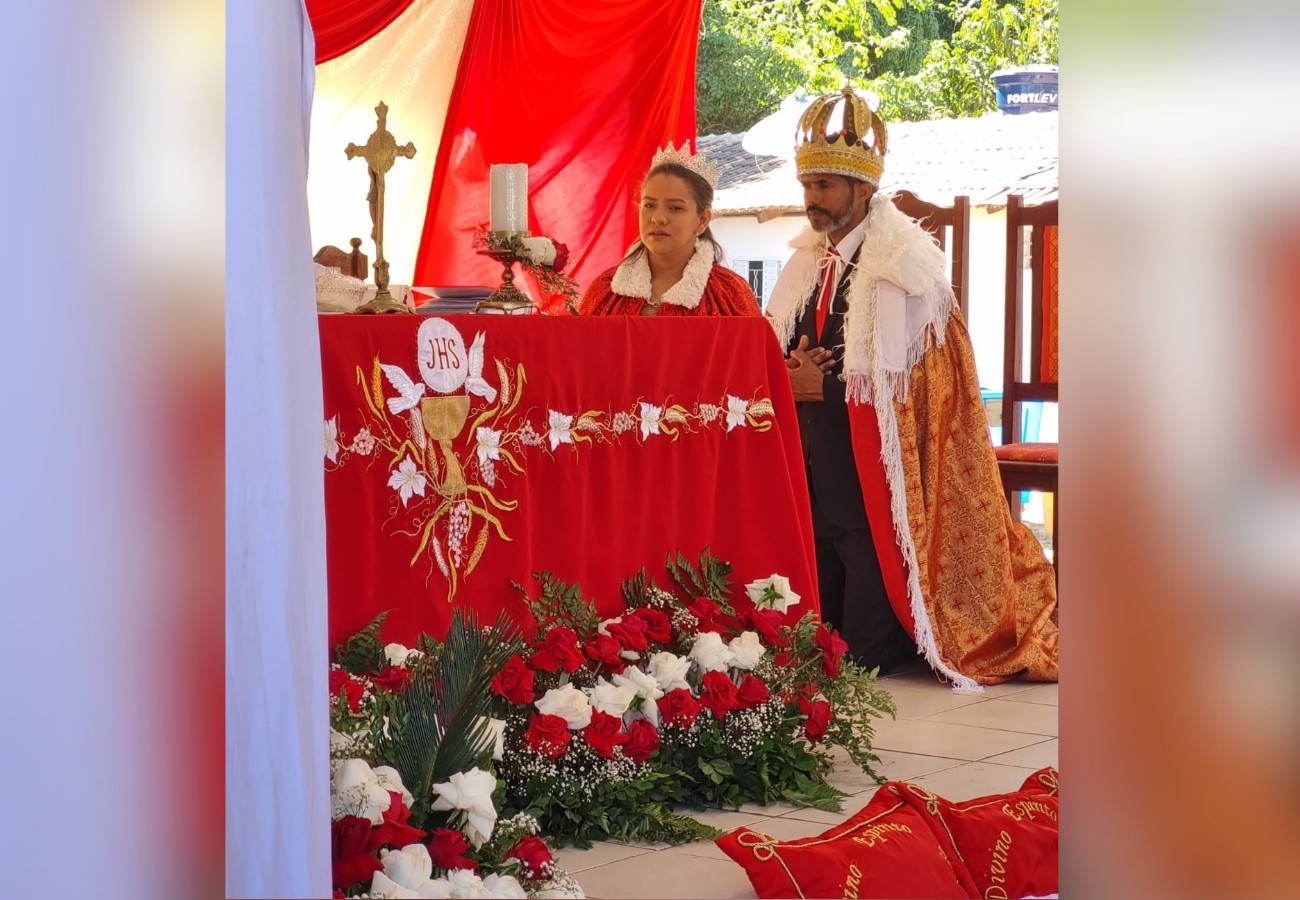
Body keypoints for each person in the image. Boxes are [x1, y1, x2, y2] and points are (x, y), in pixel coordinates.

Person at [766, 84, 1058, 689]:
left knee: (864, 655)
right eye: (807, 186)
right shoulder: (804, 261)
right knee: (809, 644)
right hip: (816, 473)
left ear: (863, 188)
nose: (811, 199)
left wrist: (826, 388)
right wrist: (795, 372)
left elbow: (924, 395)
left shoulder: (908, 270)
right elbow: (788, 345)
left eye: (824, 187)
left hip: (878, 493)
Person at [579, 142, 761, 317]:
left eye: (675, 208)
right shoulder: (604, 291)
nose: (658, 218)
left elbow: (753, 347)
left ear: (702, 220)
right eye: (649, 205)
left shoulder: (730, 294)